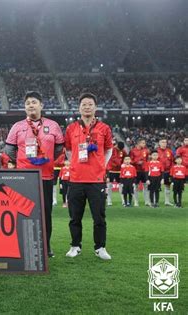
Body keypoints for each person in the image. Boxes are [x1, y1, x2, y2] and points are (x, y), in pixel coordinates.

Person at [4, 91, 64, 257]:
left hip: (45, 176)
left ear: (41, 105)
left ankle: (46, 246)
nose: (31, 105)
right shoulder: (17, 126)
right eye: (28, 103)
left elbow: (59, 148)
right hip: (24, 177)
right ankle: (21, 244)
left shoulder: (53, 126)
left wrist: (47, 158)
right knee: (22, 211)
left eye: (34, 102)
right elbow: (9, 149)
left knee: (45, 212)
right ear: (25, 107)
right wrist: (24, 162)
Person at [64, 93, 113, 260]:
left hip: (96, 180)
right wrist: (76, 163)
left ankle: (100, 247)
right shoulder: (71, 128)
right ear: (79, 107)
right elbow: (69, 150)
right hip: (76, 179)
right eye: (84, 104)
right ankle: (75, 246)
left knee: (99, 217)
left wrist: (101, 165)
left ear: (95, 107)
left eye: (90, 104)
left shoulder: (104, 128)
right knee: (74, 216)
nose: (87, 107)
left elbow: (108, 150)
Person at [129, 138, 150, 206]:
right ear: (138, 143)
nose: (144, 144)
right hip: (136, 171)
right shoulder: (132, 151)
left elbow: (147, 160)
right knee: (136, 186)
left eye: (144, 143)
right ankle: (136, 201)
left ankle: (147, 201)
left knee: (146, 186)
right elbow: (130, 161)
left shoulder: (146, 151)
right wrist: (136, 162)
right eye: (143, 143)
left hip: (144, 171)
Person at [106, 141, 127, 206]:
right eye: (119, 148)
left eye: (121, 149)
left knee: (121, 185)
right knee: (109, 186)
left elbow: (125, 158)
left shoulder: (123, 151)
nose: (120, 150)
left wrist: (123, 164)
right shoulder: (111, 150)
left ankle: (123, 200)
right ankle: (109, 201)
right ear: (116, 145)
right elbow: (113, 159)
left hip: (119, 171)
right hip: (110, 170)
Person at [157, 139, 174, 206]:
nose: (164, 143)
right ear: (159, 143)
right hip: (158, 172)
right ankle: (155, 201)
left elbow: (172, 161)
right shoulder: (156, 151)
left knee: (167, 186)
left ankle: (167, 201)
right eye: (162, 142)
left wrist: (171, 170)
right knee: (156, 186)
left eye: (165, 142)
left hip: (167, 171)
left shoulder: (169, 151)